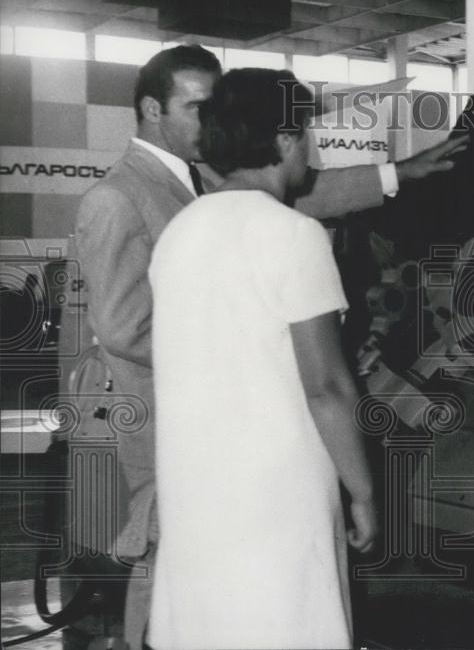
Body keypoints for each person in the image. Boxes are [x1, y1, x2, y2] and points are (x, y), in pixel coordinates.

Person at [70, 44, 466, 649]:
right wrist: (239, 360)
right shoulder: (120, 196)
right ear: (152, 109)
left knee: (199, 594)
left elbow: (291, 197)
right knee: (221, 580)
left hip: (206, 441)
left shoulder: (190, 219)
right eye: (197, 106)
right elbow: (125, 328)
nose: (209, 120)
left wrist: (399, 173)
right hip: (205, 430)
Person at [146, 68, 372, 649]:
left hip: (195, 488)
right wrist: (364, 491)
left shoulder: (180, 232)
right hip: (276, 492)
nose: (310, 151)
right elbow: (327, 387)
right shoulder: (293, 234)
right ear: (285, 140)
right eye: (308, 136)